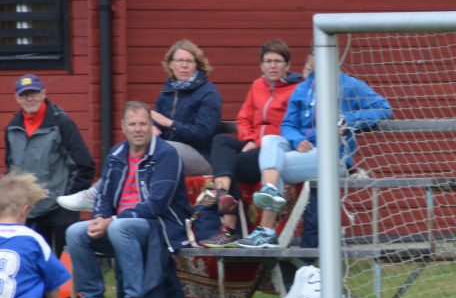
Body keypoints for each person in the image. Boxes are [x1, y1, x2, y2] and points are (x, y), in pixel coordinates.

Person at [234, 67, 392, 248]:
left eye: (314, 66)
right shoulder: (303, 88)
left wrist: (349, 118)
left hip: (333, 156)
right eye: (308, 67)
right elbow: (287, 125)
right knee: (271, 140)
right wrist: (298, 139)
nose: (310, 71)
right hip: (302, 152)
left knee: (273, 168)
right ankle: (270, 190)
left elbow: (384, 108)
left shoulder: (349, 85)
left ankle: (267, 230)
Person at [58, 39, 222, 210]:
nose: (184, 65)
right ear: (170, 65)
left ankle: (96, 195)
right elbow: (159, 125)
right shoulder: (167, 92)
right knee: (129, 146)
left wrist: (170, 123)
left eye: (189, 61)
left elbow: (203, 134)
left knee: (158, 150)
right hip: (168, 148)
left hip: (201, 156)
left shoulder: (208, 92)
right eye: (179, 61)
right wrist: (154, 127)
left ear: (197, 64)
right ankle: (97, 195)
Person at [64, 101, 192, 298]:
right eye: (132, 124)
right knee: (75, 232)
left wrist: (112, 220)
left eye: (143, 123)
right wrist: (100, 218)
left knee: (119, 228)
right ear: (123, 127)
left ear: (151, 125)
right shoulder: (116, 154)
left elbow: (157, 204)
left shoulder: (166, 154)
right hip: (120, 224)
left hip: (159, 226)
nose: (138, 129)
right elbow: (103, 195)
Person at [200, 39, 304, 246]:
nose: (272, 66)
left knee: (232, 166)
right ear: (261, 65)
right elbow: (244, 118)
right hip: (253, 144)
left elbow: (289, 126)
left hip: (275, 148)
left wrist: (256, 142)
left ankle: (227, 225)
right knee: (221, 140)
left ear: (287, 65)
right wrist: (248, 139)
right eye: (267, 61)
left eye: (277, 61)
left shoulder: (296, 90)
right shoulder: (257, 85)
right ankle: (223, 194)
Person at [4, 74, 96, 255]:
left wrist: (68, 199)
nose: (30, 99)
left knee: (66, 266)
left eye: (34, 93)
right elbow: (11, 169)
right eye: (24, 95)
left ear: (43, 93)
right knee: (33, 266)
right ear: (17, 98)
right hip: (28, 210)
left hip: (61, 210)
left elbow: (85, 165)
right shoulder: (12, 128)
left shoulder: (61, 123)